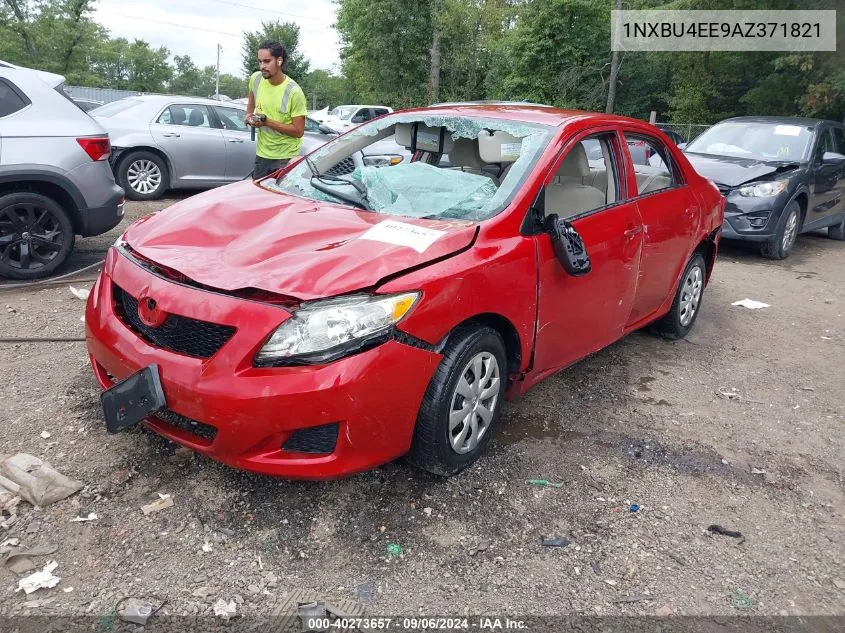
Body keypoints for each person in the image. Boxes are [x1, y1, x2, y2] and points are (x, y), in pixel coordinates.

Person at [245, 40, 307, 180]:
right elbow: (250, 108)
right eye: (260, 61)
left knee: (281, 200)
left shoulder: (294, 91)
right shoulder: (255, 79)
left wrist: (266, 122)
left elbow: (298, 131)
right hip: (262, 155)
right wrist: (249, 117)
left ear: (279, 61)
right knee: (261, 199)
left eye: (267, 61)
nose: (262, 66)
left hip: (286, 158)